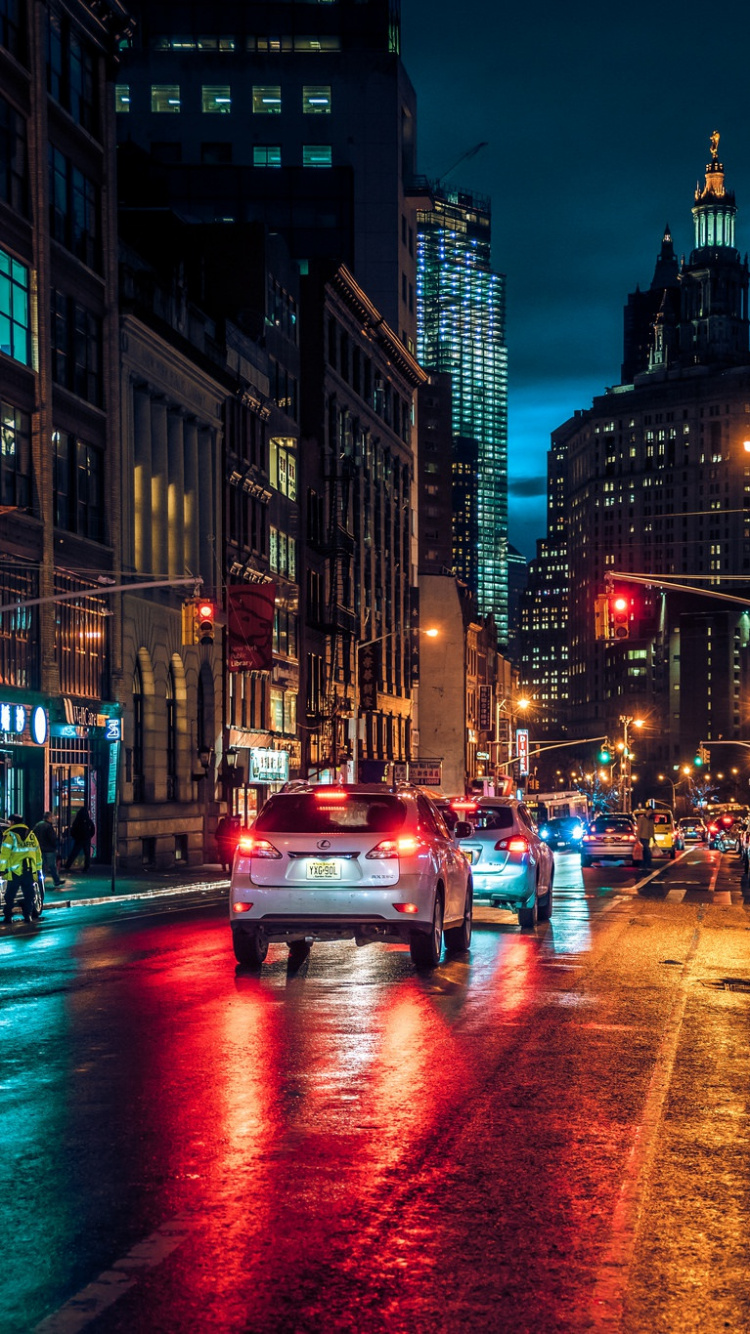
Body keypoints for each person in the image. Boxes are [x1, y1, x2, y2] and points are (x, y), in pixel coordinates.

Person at [1, 815, 43, 924]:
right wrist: (38, 869)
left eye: (10, 821)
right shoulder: (31, 835)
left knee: (10, 895)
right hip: (29, 870)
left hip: (15, 871)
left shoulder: (11, 835)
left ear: (13, 822)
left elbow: (4, 854)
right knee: (29, 894)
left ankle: (8, 916)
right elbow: (38, 852)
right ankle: (27, 915)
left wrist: (2, 869)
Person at [32, 811, 66, 888]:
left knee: (41, 866)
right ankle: (56, 881)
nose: (53, 819)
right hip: (49, 849)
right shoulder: (48, 826)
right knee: (52, 866)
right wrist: (56, 845)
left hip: (40, 849)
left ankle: (40, 882)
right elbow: (52, 839)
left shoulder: (38, 825)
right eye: (52, 817)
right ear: (49, 818)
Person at [65, 805, 95, 871]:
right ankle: (86, 866)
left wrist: (76, 837)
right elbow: (93, 830)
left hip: (79, 840)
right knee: (87, 853)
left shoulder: (77, 821)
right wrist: (89, 836)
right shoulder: (88, 821)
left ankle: (67, 865)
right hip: (86, 839)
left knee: (74, 853)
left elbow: (73, 830)